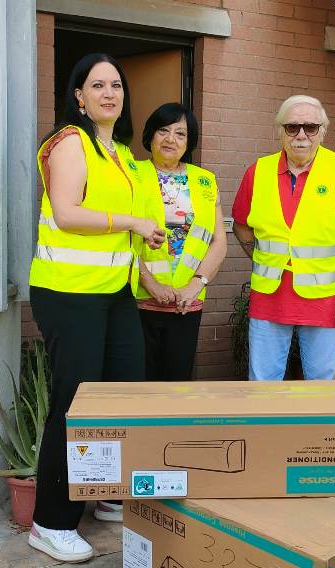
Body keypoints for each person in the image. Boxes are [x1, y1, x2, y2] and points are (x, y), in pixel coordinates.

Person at [27, 54, 165, 562]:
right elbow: (67, 213)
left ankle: (103, 491)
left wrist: (146, 262)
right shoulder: (69, 141)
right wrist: (131, 222)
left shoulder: (121, 154)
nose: (109, 93)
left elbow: (126, 232)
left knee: (123, 390)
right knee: (74, 402)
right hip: (68, 293)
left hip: (114, 293)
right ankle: (50, 522)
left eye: (116, 85)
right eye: (97, 85)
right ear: (78, 96)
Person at [232, 95, 335, 381]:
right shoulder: (257, 172)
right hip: (269, 298)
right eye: (292, 127)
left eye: (310, 127)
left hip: (325, 299)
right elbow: (241, 225)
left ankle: (315, 429)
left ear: (323, 131)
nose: (301, 136)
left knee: (321, 385)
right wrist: (267, 257)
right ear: (279, 130)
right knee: (262, 384)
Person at [135, 103, 227, 380]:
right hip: (139, 300)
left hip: (187, 302)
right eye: (163, 130)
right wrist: (150, 283)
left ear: (190, 142)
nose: (170, 139)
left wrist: (196, 284)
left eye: (180, 133)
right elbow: (118, 237)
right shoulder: (132, 174)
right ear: (150, 135)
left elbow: (218, 241)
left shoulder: (205, 181)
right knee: (138, 382)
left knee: (177, 380)